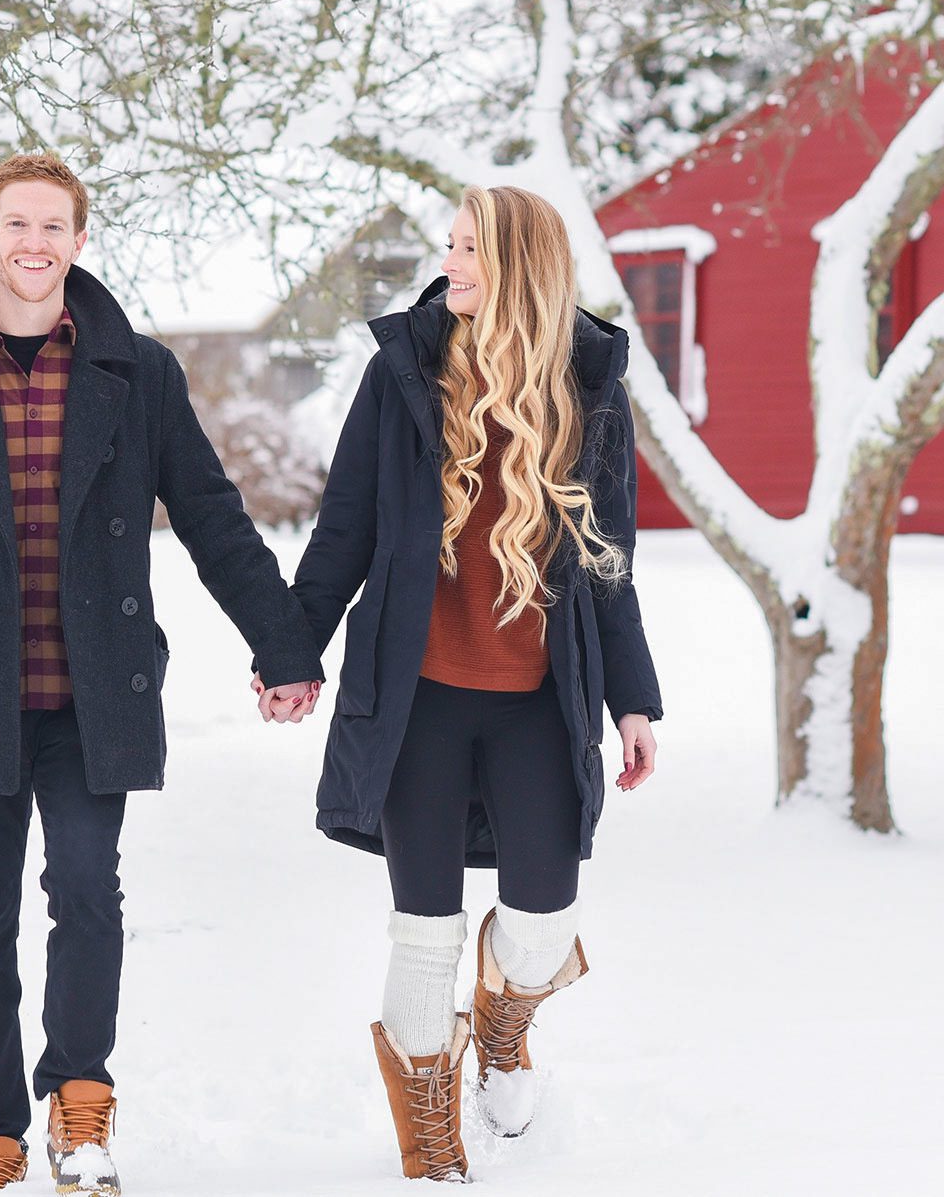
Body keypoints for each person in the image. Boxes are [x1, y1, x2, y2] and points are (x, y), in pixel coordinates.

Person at [0, 153, 322, 1193]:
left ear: (78, 241)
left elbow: (211, 516)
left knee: (89, 895)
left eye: (53, 225)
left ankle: (80, 1106)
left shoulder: (136, 372)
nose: (34, 242)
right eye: (17, 222)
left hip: (92, 692)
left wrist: (281, 645)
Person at [276, 184, 663, 1183]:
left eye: (470, 249)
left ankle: (500, 1014)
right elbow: (344, 531)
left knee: (543, 926)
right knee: (423, 931)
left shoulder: (588, 384)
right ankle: (430, 1136)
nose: (450, 263)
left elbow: (611, 557)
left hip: (542, 701)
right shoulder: (402, 370)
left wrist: (634, 700)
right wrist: (291, 650)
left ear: (520, 265)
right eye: (447, 245)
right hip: (418, 702)